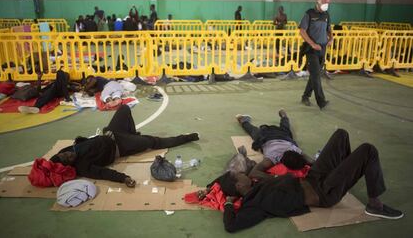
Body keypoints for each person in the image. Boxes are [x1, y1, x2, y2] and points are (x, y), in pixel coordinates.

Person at [221, 128, 404, 233]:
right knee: (368, 150)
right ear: (239, 186)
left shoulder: (256, 183)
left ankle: (345, 174)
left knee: (341, 135)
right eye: (239, 175)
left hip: (313, 177)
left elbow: (253, 172)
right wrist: (229, 204)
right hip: (323, 192)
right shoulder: (253, 204)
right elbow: (231, 226)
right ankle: (375, 204)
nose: (242, 173)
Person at [49, 105, 200, 187]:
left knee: (124, 109)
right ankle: (187, 137)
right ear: (69, 166)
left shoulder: (65, 152)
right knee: (154, 142)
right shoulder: (82, 166)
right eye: (67, 158)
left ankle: (132, 135)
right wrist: (124, 178)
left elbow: (75, 146)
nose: (68, 154)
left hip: (111, 133)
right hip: (121, 146)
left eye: (65, 154)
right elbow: (103, 173)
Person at [235, 110, 310, 174]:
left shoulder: (296, 151)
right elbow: (253, 173)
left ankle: (283, 115)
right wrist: (275, 179)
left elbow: (311, 161)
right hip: (267, 136)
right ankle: (242, 120)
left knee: (285, 127)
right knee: (253, 131)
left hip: (283, 136)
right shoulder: (272, 158)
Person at [299, 0, 333, 109]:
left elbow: (329, 29)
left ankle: (305, 96)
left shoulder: (326, 15)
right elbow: (302, 31)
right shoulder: (309, 14)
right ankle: (321, 101)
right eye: (325, 2)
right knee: (316, 75)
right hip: (311, 50)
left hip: (322, 49)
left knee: (314, 74)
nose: (327, 4)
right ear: (318, 2)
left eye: (328, 2)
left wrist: (331, 38)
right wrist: (312, 44)